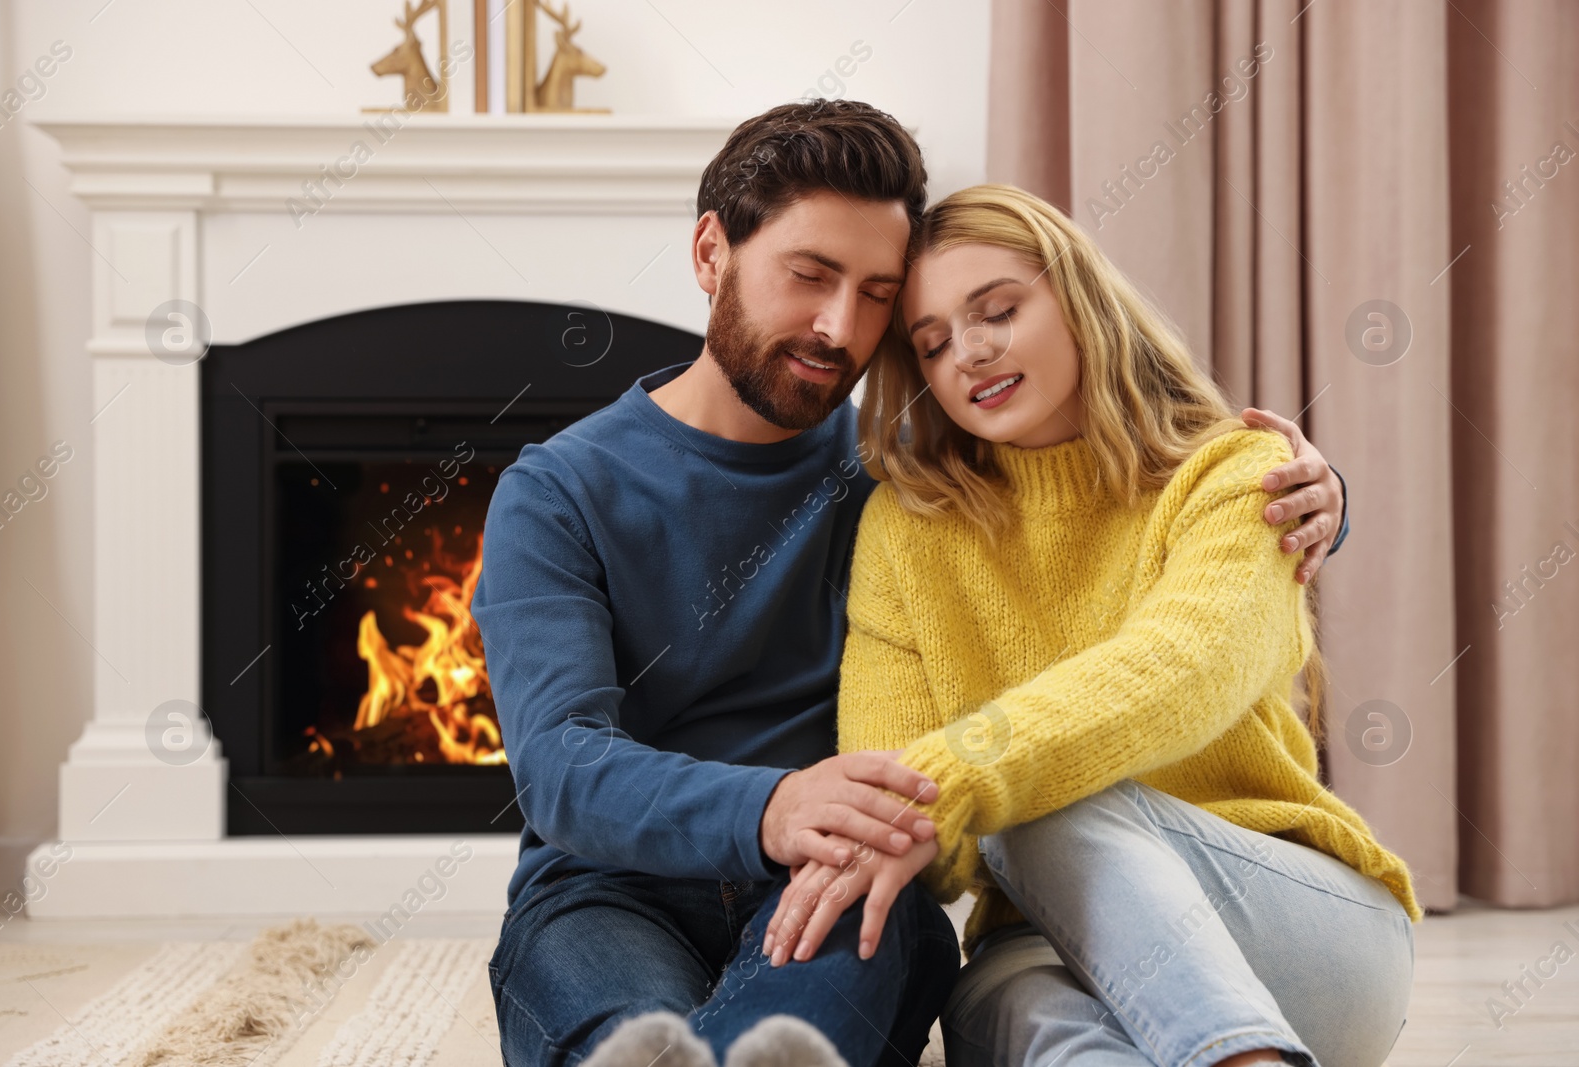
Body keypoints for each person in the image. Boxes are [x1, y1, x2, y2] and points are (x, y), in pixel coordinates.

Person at [471, 100, 1353, 1067]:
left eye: (877, 294)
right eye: (809, 276)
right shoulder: (555, 493)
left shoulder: (906, 488)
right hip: (613, 882)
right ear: (711, 252)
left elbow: (1098, 527)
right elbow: (557, 763)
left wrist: (1315, 498)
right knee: (616, 1024)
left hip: (850, 870)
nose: (839, 327)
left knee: (848, 965)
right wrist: (770, 807)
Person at [762, 183, 1419, 1067]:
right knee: (1020, 1011)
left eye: (998, 309)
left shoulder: (1238, 475)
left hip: (1296, 929)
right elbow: (913, 820)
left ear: (1076, 298)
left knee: (1038, 801)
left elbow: (1186, 667)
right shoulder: (907, 530)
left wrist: (966, 774)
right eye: (935, 342)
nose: (972, 352)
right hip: (1045, 947)